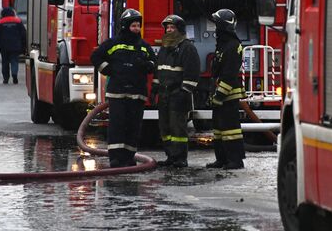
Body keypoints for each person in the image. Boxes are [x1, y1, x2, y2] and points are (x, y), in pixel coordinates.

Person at [90, 9, 156, 168]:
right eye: (133, 25)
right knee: (117, 126)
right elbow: (96, 57)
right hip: (118, 93)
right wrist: (107, 70)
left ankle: (129, 157)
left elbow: (154, 63)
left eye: (138, 26)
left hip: (137, 94)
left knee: (133, 127)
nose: (136, 29)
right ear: (125, 26)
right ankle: (116, 158)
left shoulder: (144, 46)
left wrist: (147, 66)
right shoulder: (114, 44)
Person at [152, 15, 200, 168]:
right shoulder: (164, 48)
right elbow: (158, 71)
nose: (169, 30)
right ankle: (170, 156)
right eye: (167, 28)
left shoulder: (187, 48)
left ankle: (180, 158)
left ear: (179, 29)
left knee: (177, 128)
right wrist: (154, 89)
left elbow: (192, 73)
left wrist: (184, 91)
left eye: (172, 27)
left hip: (178, 95)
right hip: (164, 95)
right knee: (164, 128)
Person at [206, 9, 247, 170]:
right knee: (218, 129)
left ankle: (235, 161)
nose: (215, 28)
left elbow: (229, 74)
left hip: (228, 95)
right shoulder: (222, 45)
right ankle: (222, 159)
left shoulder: (233, 46)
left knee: (231, 130)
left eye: (217, 25)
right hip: (219, 94)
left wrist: (220, 95)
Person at [0, 7, 26, 84]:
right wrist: (24, 46)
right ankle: (14, 75)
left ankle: (6, 78)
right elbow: (23, 34)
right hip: (16, 46)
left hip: (4, 47)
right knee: (14, 61)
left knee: (5, 62)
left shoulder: (0, 22)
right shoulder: (18, 21)